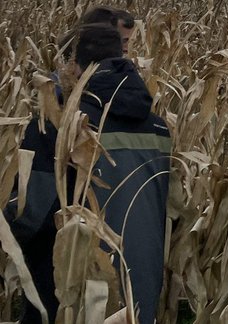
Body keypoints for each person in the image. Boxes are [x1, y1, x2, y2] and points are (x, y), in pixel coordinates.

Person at [5, 24, 171, 324]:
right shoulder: (158, 127)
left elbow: (29, 212)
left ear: (74, 66)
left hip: (73, 288)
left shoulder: (59, 124)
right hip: (139, 284)